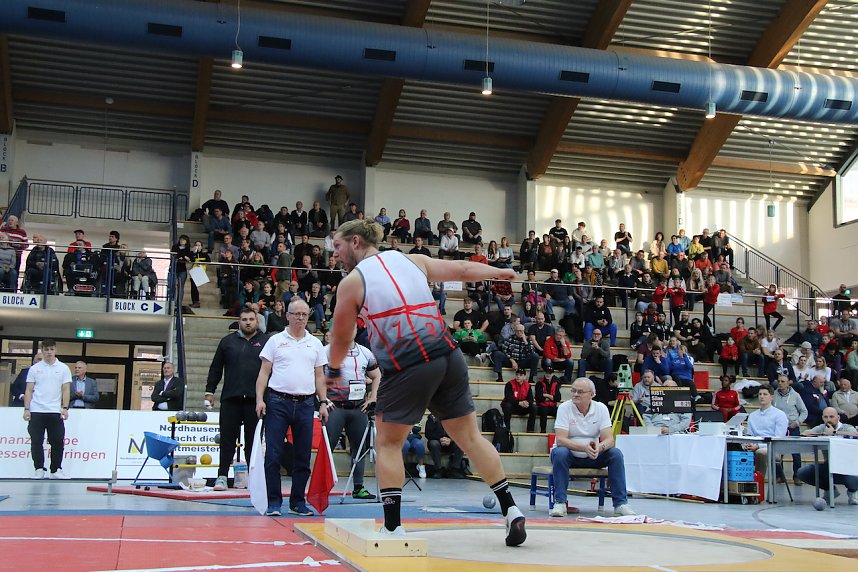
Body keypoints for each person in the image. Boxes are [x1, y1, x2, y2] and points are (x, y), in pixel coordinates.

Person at [325, 219, 526, 545]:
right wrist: (498, 272)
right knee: (471, 440)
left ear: (356, 242)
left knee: (388, 443)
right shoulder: (410, 259)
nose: (335, 254)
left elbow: (341, 337)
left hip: (409, 364)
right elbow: (461, 269)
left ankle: (392, 527)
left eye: (338, 246)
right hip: (448, 356)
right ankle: (511, 509)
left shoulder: (352, 282)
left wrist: (334, 369)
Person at [255, 298, 328, 517]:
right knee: (274, 455)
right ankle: (274, 502)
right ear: (287, 315)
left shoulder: (315, 343)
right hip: (277, 402)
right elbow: (264, 373)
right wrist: (260, 399)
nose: (300, 318)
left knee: (303, 456)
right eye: (296, 314)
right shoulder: (275, 340)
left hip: (306, 404)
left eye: (304, 314)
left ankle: (298, 502)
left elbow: (319, 376)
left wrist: (323, 402)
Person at [549, 377, 635, 517]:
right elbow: (561, 440)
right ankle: (560, 502)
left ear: (592, 394)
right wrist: (584, 448)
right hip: (569, 455)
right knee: (560, 452)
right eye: (574, 391)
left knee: (616, 454)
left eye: (580, 392)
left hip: (593, 455)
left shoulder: (601, 408)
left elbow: (609, 440)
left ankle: (621, 504)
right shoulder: (564, 408)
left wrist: (599, 448)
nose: (575, 394)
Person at [205, 308, 267, 491]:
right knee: (227, 441)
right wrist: (209, 391)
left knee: (252, 443)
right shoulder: (227, 342)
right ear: (239, 322)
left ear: (257, 321)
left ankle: (253, 479)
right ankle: (222, 476)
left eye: (251, 319)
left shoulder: (267, 342)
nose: (248, 322)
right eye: (244, 319)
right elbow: (216, 368)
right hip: (230, 398)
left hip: (255, 401)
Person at [324, 338, 380, 499]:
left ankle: (358, 487)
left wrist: (373, 397)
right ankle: (322, 487)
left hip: (358, 408)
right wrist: (323, 399)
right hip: (335, 407)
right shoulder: (326, 351)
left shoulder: (365, 352)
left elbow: (377, 376)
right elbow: (315, 374)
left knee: (359, 449)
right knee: (328, 449)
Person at [23, 339, 72, 479]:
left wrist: (65, 407)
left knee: (57, 441)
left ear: (55, 350)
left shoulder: (63, 368)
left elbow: (66, 389)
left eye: (51, 349)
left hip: (55, 411)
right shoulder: (34, 369)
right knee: (36, 441)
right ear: (42, 351)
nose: (49, 352)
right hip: (37, 410)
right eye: (46, 350)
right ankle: (39, 469)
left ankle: (56, 470)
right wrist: (27, 409)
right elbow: (29, 390)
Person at [797, 407, 858, 504]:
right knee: (802, 472)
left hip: (848, 467)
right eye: (825, 417)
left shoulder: (846, 427)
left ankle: (853, 491)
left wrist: (834, 433)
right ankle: (830, 490)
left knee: (853, 477)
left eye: (831, 417)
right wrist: (821, 434)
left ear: (838, 417)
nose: (828, 420)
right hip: (828, 465)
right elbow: (804, 433)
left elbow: (855, 435)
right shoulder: (822, 427)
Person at [742, 384, 789, 474]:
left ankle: (759, 482)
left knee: (760, 452)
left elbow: (778, 438)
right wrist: (749, 445)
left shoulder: (779, 415)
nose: (762, 396)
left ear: (771, 397)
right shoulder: (752, 415)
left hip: (773, 447)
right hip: (754, 445)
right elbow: (749, 435)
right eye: (760, 394)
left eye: (765, 394)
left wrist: (758, 446)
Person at [773, 375, 808, 484]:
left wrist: (797, 422)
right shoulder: (773, 394)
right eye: (778, 381)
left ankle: (797, 476)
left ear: (788, 383)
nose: (780, 383)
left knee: (796, 453)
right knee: (778, 453)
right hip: (779, 427)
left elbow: (804, 411)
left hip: (792, 427)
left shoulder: (795, 395)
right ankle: (780, 476)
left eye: (783, 381)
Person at [425, 413, 464, 478]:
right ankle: (438, 469)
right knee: (433, 443)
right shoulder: (432, 417)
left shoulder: (455, 416)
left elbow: (460, 432)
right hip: (437, 442)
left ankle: (454, 469)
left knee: (461, 443)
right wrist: (440, 439)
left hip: (450, 442)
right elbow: (428, 433)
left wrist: (450, 439)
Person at [501, 369, 536, 433]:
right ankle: (507, 428)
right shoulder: (509, 384)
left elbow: (530, 398)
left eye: (520, 375)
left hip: (522, 407)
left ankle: (530, 429)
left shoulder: (528, 385)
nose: (518, 376)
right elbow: (508, 397)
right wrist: (519, 403)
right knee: (507, 406)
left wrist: (527, 403)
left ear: (524, 377)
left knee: (534, 407)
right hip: (513, 406)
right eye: (517, 375)